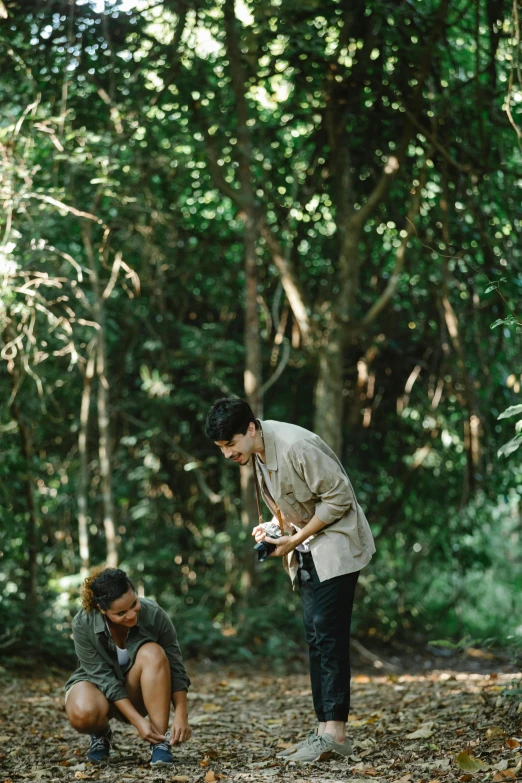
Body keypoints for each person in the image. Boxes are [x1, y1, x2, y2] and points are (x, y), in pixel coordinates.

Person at [205, 397, 375, 763]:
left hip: (338, 546)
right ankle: (323, 730)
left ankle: (337, 734)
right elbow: (295, 506)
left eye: (230, 445)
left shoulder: (297, 445)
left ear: (250, 429)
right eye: (222, 448)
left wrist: (295, 539)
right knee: (316, 637)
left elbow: (340, 498)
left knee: (329, 637)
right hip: (309, 549)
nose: (228, 455)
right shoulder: (259, 453)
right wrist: (274, 528)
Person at [65, 567, 191, 766]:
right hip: (98, 687)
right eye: (121, 613)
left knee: (154, 652)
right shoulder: (83, 623)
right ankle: (101, 734)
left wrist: (182, 714)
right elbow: (103, 678)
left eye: (134, 604)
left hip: (138, 689)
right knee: (82, 713)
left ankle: (159, 741)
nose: (132, 615)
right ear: (102, 609)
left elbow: (175, 666)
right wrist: (139, 722)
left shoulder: (154, 614)